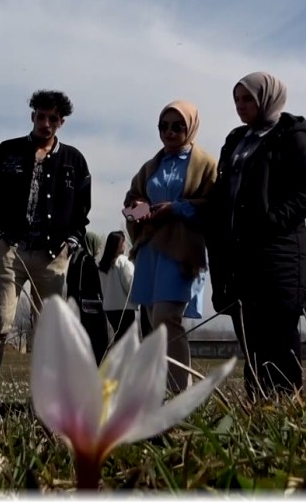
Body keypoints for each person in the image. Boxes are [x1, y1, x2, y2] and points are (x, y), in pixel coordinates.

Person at [206, 72, 306, 398]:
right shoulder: (237, 140)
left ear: (268, 98)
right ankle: (258, 414)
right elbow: (224, 190)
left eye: (248, 99)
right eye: (237, 100)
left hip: (277, 258)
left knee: (279, 344)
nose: (241, 106)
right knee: (252, 344)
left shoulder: (290, 134)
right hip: (238, 258)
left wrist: (271, 222)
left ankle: (288, 419)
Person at [0, 90, 91, 411]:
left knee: (48, 328)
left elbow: (83, 209)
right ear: (33, 117)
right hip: (12, 248)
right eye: (41, 116)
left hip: (53, 254)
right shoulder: (7, 152)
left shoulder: (74, 161)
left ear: (61, 122)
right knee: (0, 318)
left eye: (53, 119)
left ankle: (43, 394)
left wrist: (71, 243)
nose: (46, 123)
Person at [124, 101, 217, 393]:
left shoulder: (205, 164)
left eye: (178, 126)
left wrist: (177, 208)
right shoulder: (151, 165)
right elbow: (130, 206)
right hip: (150, 249)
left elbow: (215, 205)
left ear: (191, 127)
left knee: (167, 317)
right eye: (164, 126)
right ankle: (162, 391)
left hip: (181, 251)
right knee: (154, 323)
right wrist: (141, 209)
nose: (170, 132)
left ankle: (181, 393)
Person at [63, 231, 111, 363]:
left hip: (76, 308)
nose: (100, 249)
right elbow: (94, 286)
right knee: (97, 343)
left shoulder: (75, 258)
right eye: (99, 246)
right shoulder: (87, 261)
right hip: (90, 312)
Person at [97, 230, 141, 351]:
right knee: (128, 342)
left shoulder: (103, 265)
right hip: (125, 308)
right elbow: (131, 285)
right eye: (124, 242)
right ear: (119, 244)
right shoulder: (123, 262)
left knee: (120, 338)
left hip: (110, 308)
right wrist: (138, 301)